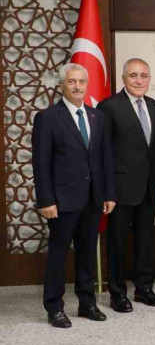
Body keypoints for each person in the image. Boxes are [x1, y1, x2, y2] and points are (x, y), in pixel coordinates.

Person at [33, 63, 116, 328]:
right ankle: (54, 307)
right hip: (62, 200)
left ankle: (86, 303)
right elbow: (41, 163)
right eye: (72, 82)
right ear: (62, 85)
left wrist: (107, 194)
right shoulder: (48, 118)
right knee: (58, 254)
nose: (78, 86)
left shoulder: (97, 117)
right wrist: (46, 200)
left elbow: (104, 160)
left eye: (81, 81)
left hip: (92, 199)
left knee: (87, 253)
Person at [97, 58, 155, 313]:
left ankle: (144, 289)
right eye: (133, 75)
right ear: (124, 79)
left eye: (144, 76)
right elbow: (103, 153)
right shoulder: (109, 107)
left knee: (145, 241)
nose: (139, 80)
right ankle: (117, 294)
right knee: (117, 243)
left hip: (148, 188)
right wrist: (107, 191)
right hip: (120, 189)